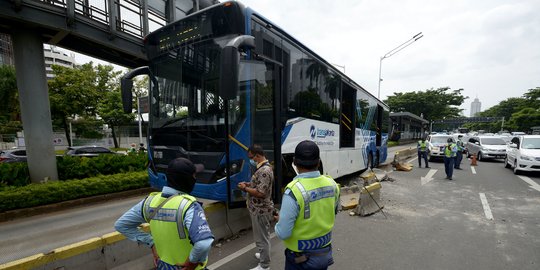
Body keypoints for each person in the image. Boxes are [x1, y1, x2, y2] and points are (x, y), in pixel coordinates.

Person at [115, 158, 214, 270]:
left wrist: (151, 243)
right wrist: (191, 264)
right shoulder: (189, 206)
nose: (195, 178)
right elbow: (204, 243)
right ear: (188, 179)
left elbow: (121, 225)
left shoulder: (149, 202)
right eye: (194, 175)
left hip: (163, 266)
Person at [275, 140, 340, 270]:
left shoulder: (293, 191)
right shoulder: (332, 184)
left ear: (294, 162)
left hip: (300, 260)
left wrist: (280, 220)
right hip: (323, 254)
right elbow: (333, 211)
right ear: (319, 161)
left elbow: (283, 233)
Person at [237, 144, 275, 270]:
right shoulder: (264, 168)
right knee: (264, 236)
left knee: (262, 238)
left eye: (252, 157)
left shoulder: (264, 171)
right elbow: (259, 185)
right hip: (259, 209)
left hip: (261, 210)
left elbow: (261, 193)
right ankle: (263, 255)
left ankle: (264, 266)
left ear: (257, 156)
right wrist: (248, 184)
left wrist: (245, 188)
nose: (251, 160)